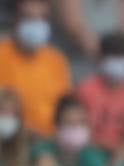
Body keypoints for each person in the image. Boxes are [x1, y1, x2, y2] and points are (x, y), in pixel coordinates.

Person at [0, 0, 72, 137]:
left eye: (42, 18)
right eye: (29, 18)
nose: (36, 24)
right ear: (15, 20)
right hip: (9, 139)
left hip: (49, 142)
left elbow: (65, 110)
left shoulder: (57, 61)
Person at [74, 33, 124, 155]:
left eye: (122, 57)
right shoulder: (85, 89)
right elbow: (74, 127)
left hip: (118, 154)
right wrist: (106, 146)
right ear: (101, 58)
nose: (118, 62)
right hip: (86, 150)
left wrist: (121, 153)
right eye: (114, 56)